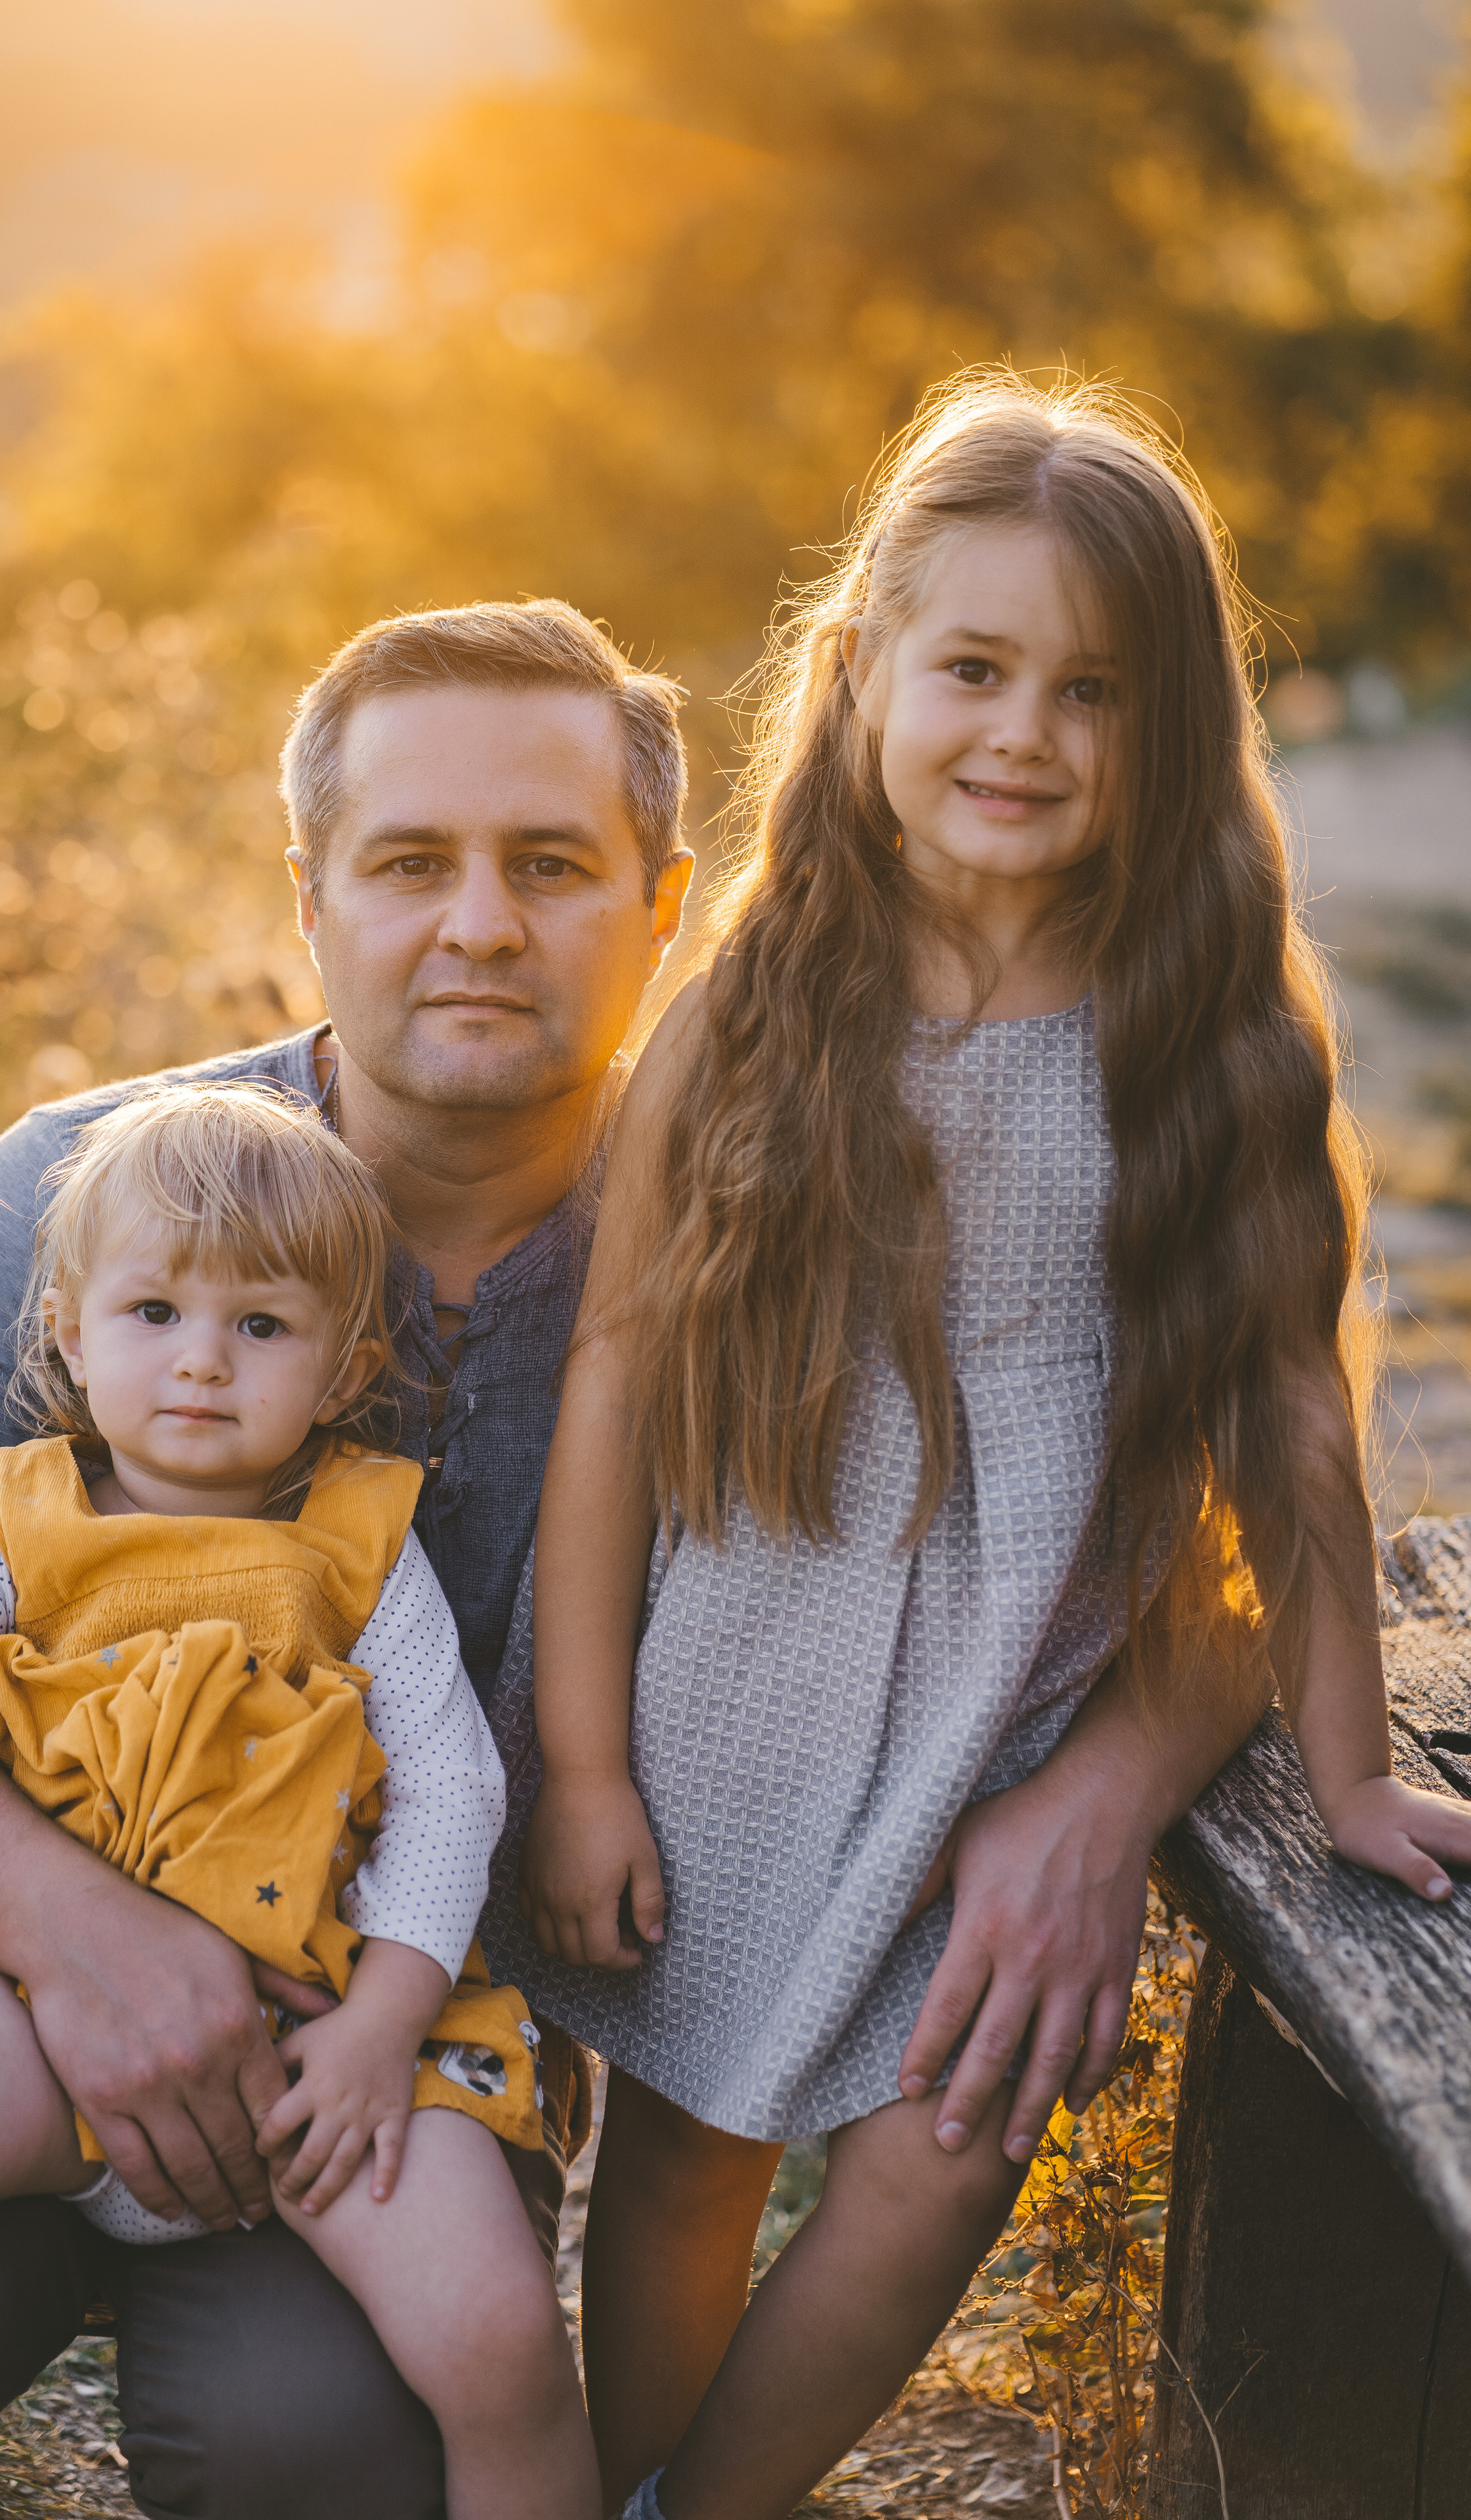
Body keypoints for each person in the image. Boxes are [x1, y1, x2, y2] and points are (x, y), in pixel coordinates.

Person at [0, 597, 1259, 2516]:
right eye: (410, 862)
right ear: (309, 898)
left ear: (664, 909)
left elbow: (1230, 1547)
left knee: (346, 2459)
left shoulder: (774, 1228)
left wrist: (1101, 1792)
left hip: (379, 2061)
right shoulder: (97, 1204)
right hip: (0, 2002)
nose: (480, 923)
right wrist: (88, 1946)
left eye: (551, 866)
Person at [505, 377, 1471, 2519]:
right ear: (862, 672)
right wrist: (578, 1761)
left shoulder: (1210, 1036)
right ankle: (622, 2476)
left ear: (1173, 727)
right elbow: (613, 1389)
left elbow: (1293, 1423)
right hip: (732, 1699)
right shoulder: (754, 1005)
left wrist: (1349, 1772)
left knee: (950, 2148)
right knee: (681, 2157)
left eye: (1092, 690)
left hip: (1009, 1722)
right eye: (974, 669)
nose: (1025, 732)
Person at [0, 1082, 598, 2520]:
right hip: (31, 2023)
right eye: (155, 1312)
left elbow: (449, 1788)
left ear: (345, 1369)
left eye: (262, 1326)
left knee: (499, 2341)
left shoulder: (359, 1541)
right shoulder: (15, 1522)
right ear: (67, 1333)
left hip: (324, 2045)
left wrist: (382, 2028)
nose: (203, 1362)